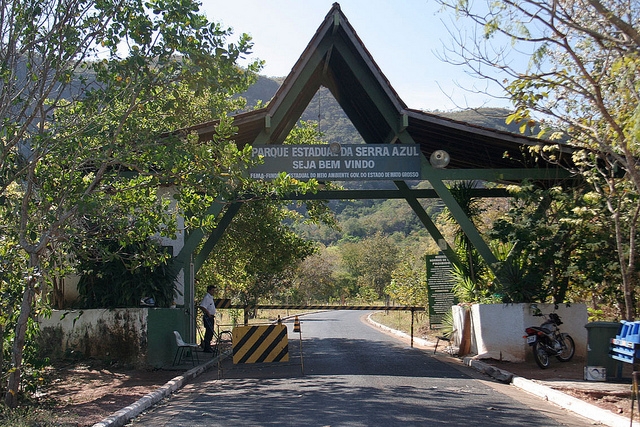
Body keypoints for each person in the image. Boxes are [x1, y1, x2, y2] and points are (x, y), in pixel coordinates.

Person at [199, 285, 217, 353]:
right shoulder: (207, 297)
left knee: (211, 332)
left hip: (211, 316)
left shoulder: (210, 298)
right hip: (208, 317)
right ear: (209, 290)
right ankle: (206, 347)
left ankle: (208, 346)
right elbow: (202, 306)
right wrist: (208, 314)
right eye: (212, 290)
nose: (213, 292)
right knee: (208, 332)